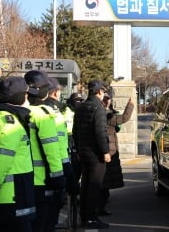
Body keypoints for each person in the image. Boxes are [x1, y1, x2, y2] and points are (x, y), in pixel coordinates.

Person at [24, 70, 66, 232]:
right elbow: (52, 151)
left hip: (23, 181)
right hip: (43, 180)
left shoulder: (18, 113)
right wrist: (60, 179)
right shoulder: (44, 114)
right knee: (45, 223)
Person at [0, 77, 36, 232]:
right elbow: (0, 163)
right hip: (9, 198)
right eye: (26, 94)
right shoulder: (9, 123)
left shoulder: (10, 119)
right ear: (18, 97)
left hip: (13, 196)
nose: (28, 98)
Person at [73, 80, 111, 229]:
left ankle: (84, 217)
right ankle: (91, 218)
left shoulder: (81, 107)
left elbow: (75, 131)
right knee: (95, 187)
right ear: (100, 91)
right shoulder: (99, 108)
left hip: (83, 152)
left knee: (85, 186)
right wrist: (105, 151)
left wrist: (78, 149)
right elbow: (100, 132)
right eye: (103, 91)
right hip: (96, 154)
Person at [43, 77, 80, 227]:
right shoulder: (54, 113)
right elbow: (56, 150)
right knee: (48, 219)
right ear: (56, 93)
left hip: (28, 180)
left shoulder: (29, 111)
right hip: (53, 174)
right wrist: (69, 178)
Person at [99, 93, 134, 215]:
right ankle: (100, 207)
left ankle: (101, 203)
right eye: (106, 99)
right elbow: (125, 118)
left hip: (106, 150)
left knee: (104, 178)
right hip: (108, 151)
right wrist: (131, 104)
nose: (108, 101)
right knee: (104, 179)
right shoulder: (106, 115)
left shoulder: (101, 112)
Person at [63, 92, 84, 182]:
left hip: (77, 139)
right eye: (76, 100)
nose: (78, 102)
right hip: (66, 139)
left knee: (77, 164)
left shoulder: (81, 112)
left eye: (80, 100)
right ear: (71, 101)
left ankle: (75, 185)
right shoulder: (65, 110)